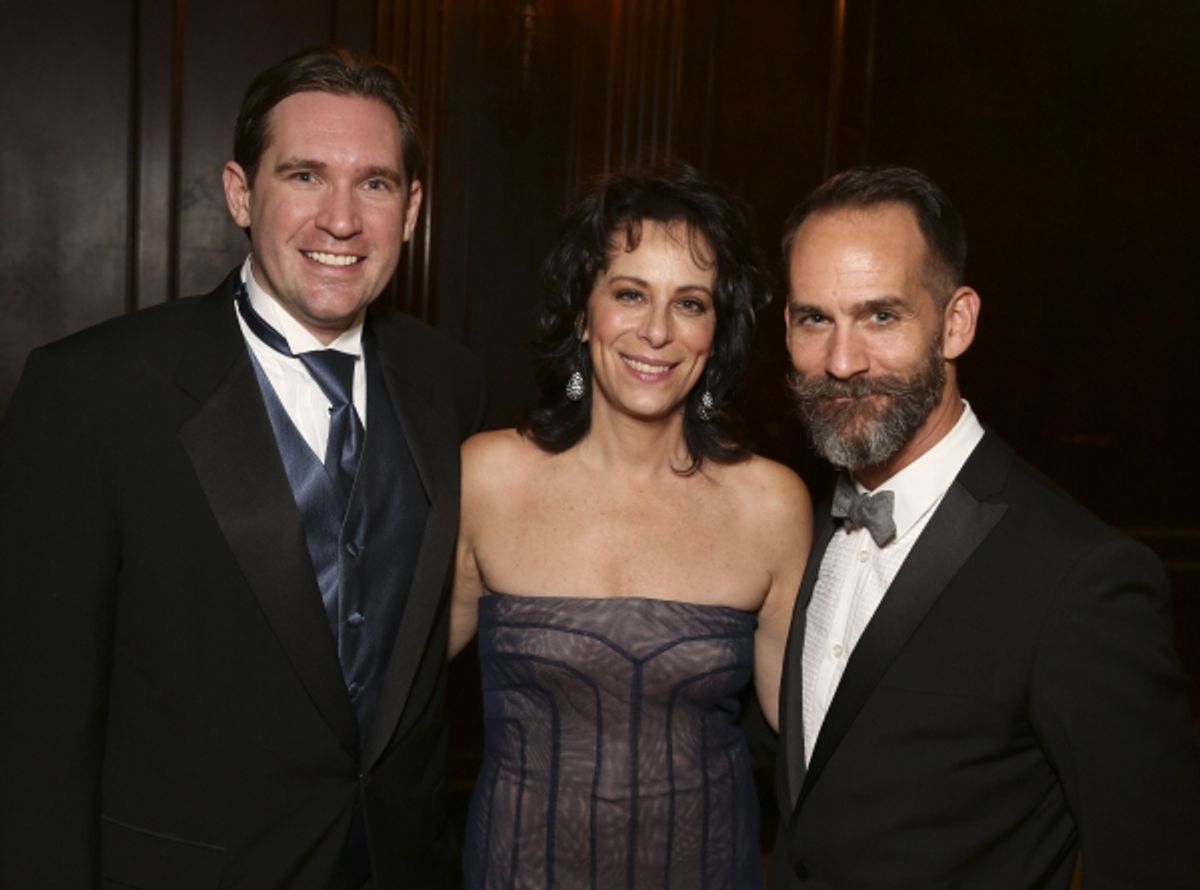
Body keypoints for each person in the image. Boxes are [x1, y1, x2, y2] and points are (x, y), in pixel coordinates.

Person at [0, 46, 485, 889]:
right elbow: (39, 724)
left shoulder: (452, 385)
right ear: (239, 192)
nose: (341, 220)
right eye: (304, 176)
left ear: (410, 211)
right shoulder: (92, 393)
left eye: (373, 184)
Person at [771, 165, 1200, 889]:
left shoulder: (1078, 577)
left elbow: (1156, 864)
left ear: (956, 322)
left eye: (881, 316)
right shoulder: (801, 529)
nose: (841, 362)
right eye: (817, 319)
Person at [448, 162, 811, 889]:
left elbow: (815, 741)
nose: (656, 332)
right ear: (583, 313)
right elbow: (385, 694)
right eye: (629, 294)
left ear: (717, 329)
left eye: (690, 304)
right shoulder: (486, 478)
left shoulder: (771, 505)